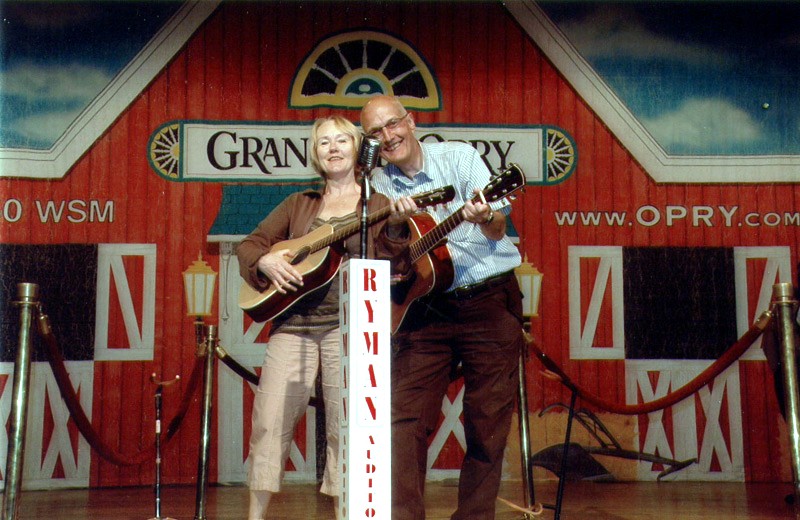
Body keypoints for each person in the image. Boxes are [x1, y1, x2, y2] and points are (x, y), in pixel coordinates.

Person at [236, 114, 415, 520]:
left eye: (342, 140)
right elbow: (250, 245)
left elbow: (397, 267)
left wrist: (397, 227)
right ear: (316, 155)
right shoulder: (300, 204)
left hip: (349, 328)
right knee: (270, 423)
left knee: (345, 429)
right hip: (293, 326)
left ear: (357, 149)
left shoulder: (378, 205)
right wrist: (264, 261)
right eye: (324, 142)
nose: (333, 148)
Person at [360, 95, 525, 520]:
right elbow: (385, 259)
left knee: (487, 422)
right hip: (425, 309)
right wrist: (394, 229)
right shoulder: (376, 187)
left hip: (489, 301)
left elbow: (497, 227)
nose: (387, 137)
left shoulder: (460, 158)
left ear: (411, 122)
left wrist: (483, 214)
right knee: (402, 418)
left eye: (393, 124)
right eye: (375, 133)